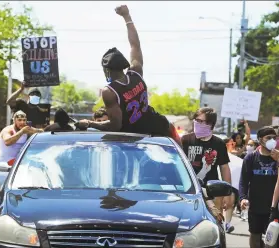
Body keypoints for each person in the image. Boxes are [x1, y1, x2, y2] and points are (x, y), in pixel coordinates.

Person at [77, 5, 181, 146]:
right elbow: (135, 45)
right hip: (156, 124)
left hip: (131, 139)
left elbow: (115, 126)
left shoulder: (110, 92)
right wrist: (127, 16)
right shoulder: (136, 72)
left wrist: (90, 123)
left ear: (107, 70)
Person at [181, 107, 232, 218]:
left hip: (213, 193)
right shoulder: (185, 140)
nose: (196, 123)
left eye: (200, 121)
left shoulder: (219, 144)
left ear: (210, 124)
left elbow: (224, 168)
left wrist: (228, 193)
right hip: (188, 193)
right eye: (196, 120)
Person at [239, 126, 278, 248]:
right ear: (260, 140)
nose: (272, 141)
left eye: (274, 138)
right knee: (255, 237)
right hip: (255, 205)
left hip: (274, 206)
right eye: (268, 138)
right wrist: (243, 198)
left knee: (272, 240)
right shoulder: (250, 158)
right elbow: (243, 181)